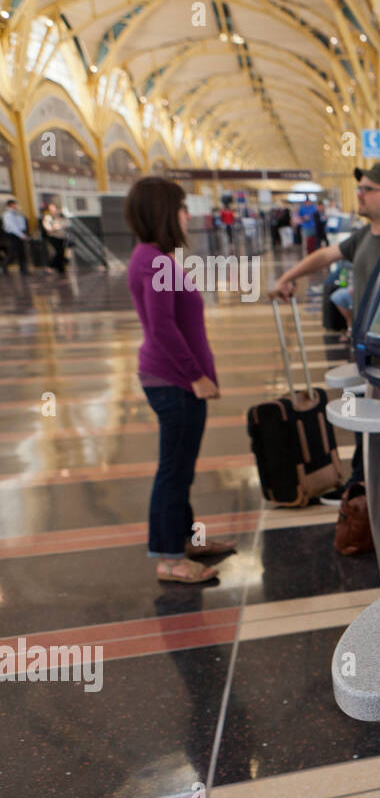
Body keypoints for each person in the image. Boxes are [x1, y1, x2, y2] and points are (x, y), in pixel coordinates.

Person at [272, 163, 380, 497]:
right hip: (363, 345)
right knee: (364, 412)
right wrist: (288, 277)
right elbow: (324, 255)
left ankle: (368, 486)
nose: (359, 195)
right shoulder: (364, 236)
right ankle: (359, 483)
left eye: (366, 189)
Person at [125, 177, 236, 583]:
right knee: (173, 470)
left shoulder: (152, 257)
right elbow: (163, 328)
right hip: (173, 382)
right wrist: (196, 377)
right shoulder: (154, 260)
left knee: (181, 468)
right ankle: (170, 559)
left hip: (174, 380)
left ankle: (184, 539)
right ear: (163, 212)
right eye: (182, 207)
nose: (187, 214)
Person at [3, 200, 29, 276]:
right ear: (10, 205)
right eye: (14, 204)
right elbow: (12, 227)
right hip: (13, 235)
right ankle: (4, 267)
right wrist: (21, 235)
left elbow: (22, 224)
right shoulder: (8, 215)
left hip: (20, 233)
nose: (16, 206)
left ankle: (23, 269)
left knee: (22, 252)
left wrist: (23, 233)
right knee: (13, 253)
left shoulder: (18, 213)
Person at [41, 203, 69, 275]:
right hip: (53, 237)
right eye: (51, 209)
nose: (53, 210)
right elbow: (48, 228)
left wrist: (61, 225)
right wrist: (55, 227)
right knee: (58, 252)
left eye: (54, 208)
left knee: (62, 252)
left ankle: (61, 268)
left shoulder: (61, 217)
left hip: (62, 237)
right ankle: (51, 266)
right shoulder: (48, 217)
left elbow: (67, 224)